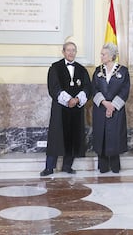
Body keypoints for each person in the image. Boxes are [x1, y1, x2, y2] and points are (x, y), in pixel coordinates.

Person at [40, 41, 91, 176]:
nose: (71, 53)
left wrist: (77, 99)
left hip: (76, 110)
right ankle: (49, 167)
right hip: (60, 109)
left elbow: (87, 87)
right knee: (55, 138)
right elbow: (54, 87)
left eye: (73, 50)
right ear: (63, 52)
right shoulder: (55, 68)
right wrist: (68, 100)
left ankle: (67, 166)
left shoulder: (81, 69)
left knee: (73, 137)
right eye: (68, 50)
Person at [92, 43, 130, 173]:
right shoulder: (98, 71)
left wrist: (112, 106)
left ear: (111, 56)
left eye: (103, 54)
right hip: (100, 109)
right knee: (101, 135)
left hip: (116, 110)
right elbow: (94, 89)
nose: (101, 56)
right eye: (101, 54)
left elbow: (125, 91)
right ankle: (102, 166)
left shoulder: (123, 71)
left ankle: (115, 166)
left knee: (115, 136)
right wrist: (104, 103)